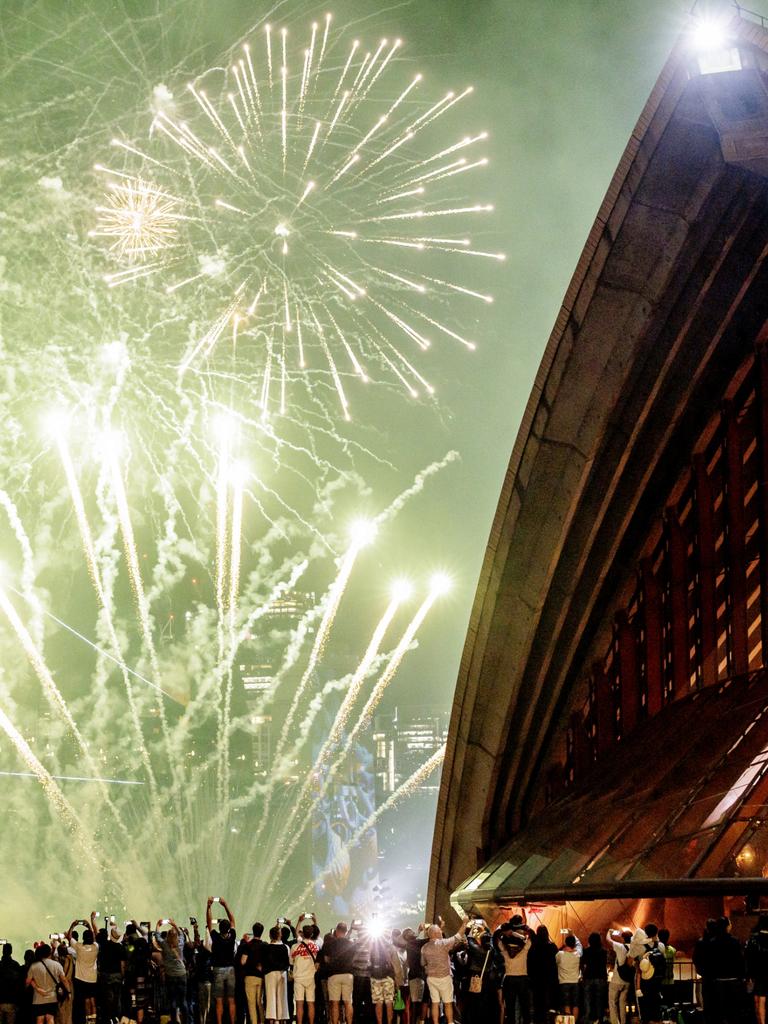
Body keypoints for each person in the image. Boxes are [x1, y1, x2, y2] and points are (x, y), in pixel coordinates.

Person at [420, 914, 469, 1024]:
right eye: (440, 932)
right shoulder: (443, 944)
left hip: (431, 978)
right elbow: (458, 936)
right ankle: (450, 1022)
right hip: (444, 978)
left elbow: (423, 963)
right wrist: (465, 922)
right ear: (438, 934)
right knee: (447, 1003)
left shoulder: (424, 947)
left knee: (435, 1003)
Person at [205, 897, 236, 1024]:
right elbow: (233, 920)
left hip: (218, 970)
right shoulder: (232, 936)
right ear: (228, 929)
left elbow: (208, 923)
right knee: (231, 1000)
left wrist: (209, 907)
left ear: (220, 928)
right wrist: (225, 905)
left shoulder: (216, 937)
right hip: (230, 970)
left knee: (219, 1000)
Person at [497, 915, 531, 1024]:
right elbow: (532, 936)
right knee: (524, 1005)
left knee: (510, 1006)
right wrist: (525, 927)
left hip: (509, 979)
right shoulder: (524, 950)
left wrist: (507, 931)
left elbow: (497, 938)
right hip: (522, 979)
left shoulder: (505, 951)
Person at [321, 923, 355, 1024]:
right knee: (348, 1002)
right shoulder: (351, 943)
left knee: (334, 1003)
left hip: (334, 974)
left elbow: (326, 959)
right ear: (346, 931)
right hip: (348, 974)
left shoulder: (330, 943)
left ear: (336, 930)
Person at [154, 920, 187, 1024]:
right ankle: (185, 1021)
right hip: (182, 974)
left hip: (170, 976)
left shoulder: (164, 945)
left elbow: (157, 937)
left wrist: (158, 925)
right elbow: (182, 934)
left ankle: (174, 1021)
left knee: (172, 1000)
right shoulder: (180, 944)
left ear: (167, 936)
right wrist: (174, 924)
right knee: (183, 1001)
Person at [26, 945, 69, 1024]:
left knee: (40, 1019)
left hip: (38, 998)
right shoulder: (56, 965)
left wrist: (35, 987)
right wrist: (68, 992)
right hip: (52, 997)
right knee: (50, 1018)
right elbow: (64, 980)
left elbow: (27, 982)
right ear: (50, 953)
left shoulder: (34, 966)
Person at [94, 917, 126, 1024]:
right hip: (117, 975)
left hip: (106, 975)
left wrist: (92, 920)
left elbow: (96, 933)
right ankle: (116, 1017)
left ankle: (108, 1018)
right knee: (117, 998)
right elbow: (122, 965)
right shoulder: (121, 948)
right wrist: (122, 976)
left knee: (107, 998)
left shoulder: (104, 945)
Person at [65, 921, 98, 1024]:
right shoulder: (95, 947)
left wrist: (73, 925)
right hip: (92, 978)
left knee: (86, 1001)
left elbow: (69, 937)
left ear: (83, 938)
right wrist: (89, 925)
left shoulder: (79, 947)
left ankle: (89, 1021)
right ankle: (94, 1020)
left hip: (81, 978)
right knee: (92, 1000)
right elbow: (95, 935)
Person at [527, 926, 558, 1024]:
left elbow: (529, 962)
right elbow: (556, 962)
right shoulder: (552, 946)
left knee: (537, 1002)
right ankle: (547, 1020)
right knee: (547, 1001)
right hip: (549, 978)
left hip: (536, 978)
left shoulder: (533, 947)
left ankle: (538, 1020)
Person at [290, 925, 318, 1024]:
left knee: (299, 1004)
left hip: (299, 978)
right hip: (311, 977)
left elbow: (291, 962)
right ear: (312, 934)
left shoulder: (294, 947)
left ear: (302, 933)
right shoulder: (315, 946)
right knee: (311, 1003)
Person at [368, 931, 398, 1024]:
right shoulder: (391, 947)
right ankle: (389, 1022)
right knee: (389, 1001)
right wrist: (397, 979)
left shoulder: (372, 946)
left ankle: (379, 1022)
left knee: (378, 1002)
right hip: (388, 977)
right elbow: (396, 965)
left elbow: (368, 962)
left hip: (375, 977)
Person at [262, 926, 289, 1024]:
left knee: (271, 997)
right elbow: (288, 962)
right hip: (282, 973)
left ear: (270, 935)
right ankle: (281, 1018)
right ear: (279, 935)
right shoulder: (285, 947)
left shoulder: (267, 947)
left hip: (270, 974)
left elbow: (264, 961)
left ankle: (272, 1019)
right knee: (282, 997)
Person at [606, 929, 633, 1024]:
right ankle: (623, 1022)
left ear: (623, 938)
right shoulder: (634, 948)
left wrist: (609, 932)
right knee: (622, 1003)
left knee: (612, 1002)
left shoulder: (620, 946)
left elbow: (608, 940)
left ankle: (615, 1022)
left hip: (617, 980)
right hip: (627, 981)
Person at [239, 924, 265, 1024]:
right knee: (259, 1002)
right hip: (261, 977)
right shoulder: (264, 945)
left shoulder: (247, 945)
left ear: (253, 931)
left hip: (250, 977)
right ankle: (262, 1021)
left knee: (251, 1003)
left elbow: (243, 961)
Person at [401, 928, 428, 1024]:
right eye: (410, 932)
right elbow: (427, 940)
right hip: (418, 976)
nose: (413, 933)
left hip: (413, 976)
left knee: (415, 1002)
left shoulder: (411, 944)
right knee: (417, 1003)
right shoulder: (413, 943)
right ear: (407, 936)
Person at [746, 914, 768, 1024]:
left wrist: (749, 974)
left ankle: (761, 1021)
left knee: (759, 1000)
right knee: (762, 1000)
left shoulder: (754, 939)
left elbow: (749, 957)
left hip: (758, 973)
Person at [581, 933, 606, 1024]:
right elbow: (604, 965)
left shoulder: (586, 951)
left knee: (587, 999)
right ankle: (600, 1019)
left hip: (588, 976)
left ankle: (588, 1018)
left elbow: (583, 964)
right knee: (599, 999)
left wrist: (583, 974)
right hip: (600, 977)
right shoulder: (603, 951)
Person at [556, 934, 581, 1021]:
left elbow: (556, 961)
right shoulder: (577, 954)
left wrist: (563, 947)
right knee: (575, 1004)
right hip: (575, 982)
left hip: (564, 982)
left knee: (566, 1004)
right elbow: (579, 946)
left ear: (566, 943)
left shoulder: (560, 954)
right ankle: (575, 1022)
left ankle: (568, 1022)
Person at [0, 944, 22, 1024]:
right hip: (11, 1001)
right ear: (11, 952)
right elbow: (19, 985)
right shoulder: (15, 965)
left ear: (2, 951)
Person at [54, 943, 74, 1024]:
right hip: (70, 986)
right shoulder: (71, 958)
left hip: (62, 986)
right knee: (69, 1011)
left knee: (60, 1010)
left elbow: (63, 977)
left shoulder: (59, 961)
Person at [657, 928, 675, 1011]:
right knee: (669, 1002)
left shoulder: (657, 949)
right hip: (670, 980)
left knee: (660, 1003)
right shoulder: (672, 950)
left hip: (659, 980)